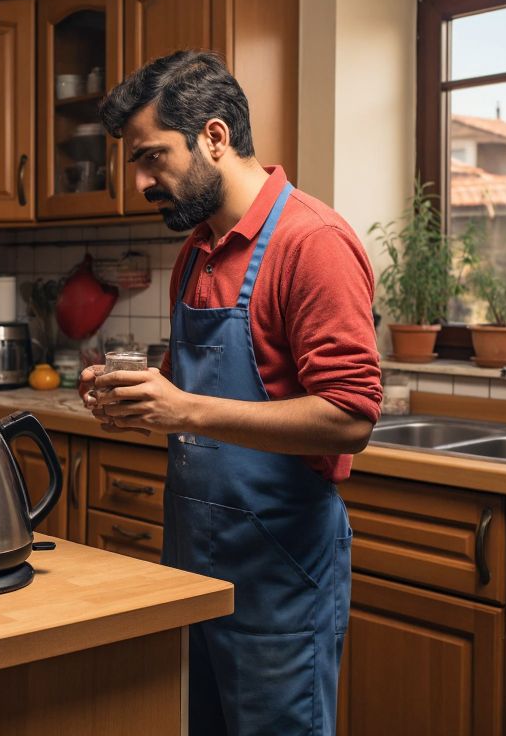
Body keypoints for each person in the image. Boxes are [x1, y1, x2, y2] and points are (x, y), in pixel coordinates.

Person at [79, 50, 382, 735]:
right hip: (193, 561)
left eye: (153, 157)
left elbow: (350, 417)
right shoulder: (197, 248)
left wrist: (181, 407)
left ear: (214, 137)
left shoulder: (313, 242)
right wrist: (135, 398)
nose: (139, 181)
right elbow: (210, 394)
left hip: (279, 574)